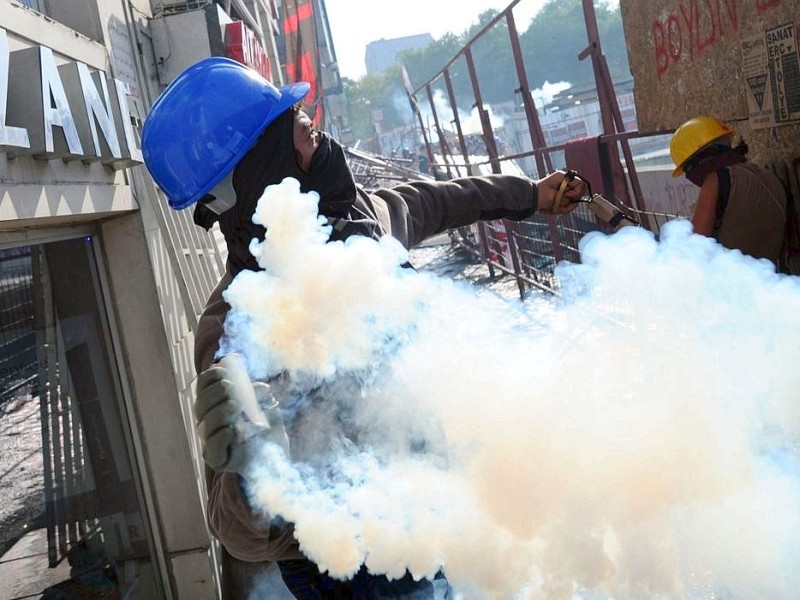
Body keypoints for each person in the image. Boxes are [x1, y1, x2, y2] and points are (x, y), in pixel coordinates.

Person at [141, 57, 586, 599]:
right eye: (301, 131)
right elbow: (235, 532)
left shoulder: (361, 221)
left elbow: (441, 200)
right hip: (351, 566)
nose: (318, 135)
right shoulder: (235, 325)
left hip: (431, 510)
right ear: (262, 170)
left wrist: (531, 195)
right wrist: (253, 473)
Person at [670, 116, 787, 264]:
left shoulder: (716, 180)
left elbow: (697, 248)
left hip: (731, 281)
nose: (690, 175)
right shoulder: (767, 177)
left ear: (705, 155)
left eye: (688, 167)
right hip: (767, 277)